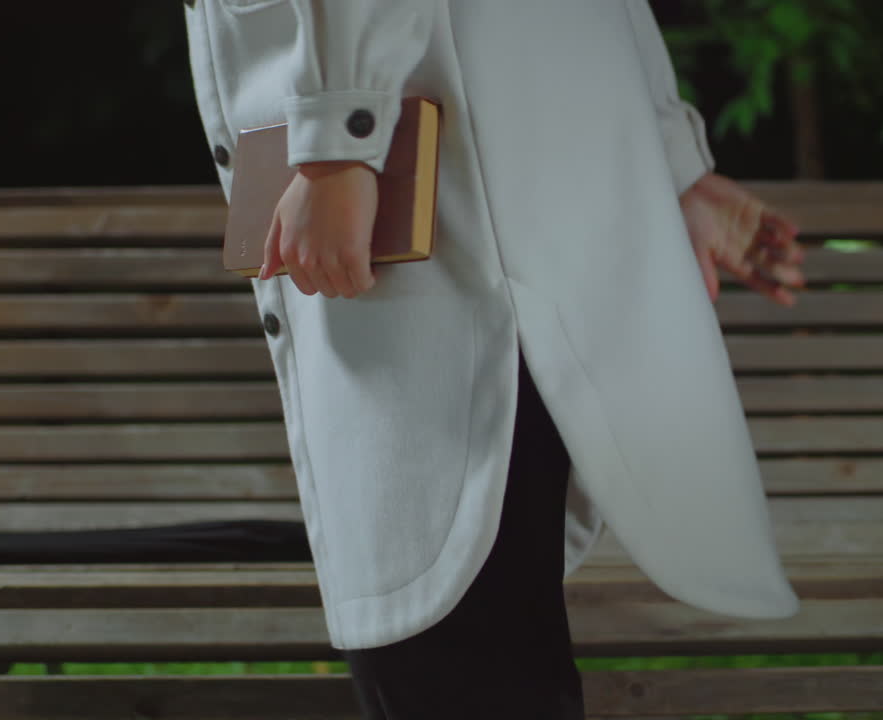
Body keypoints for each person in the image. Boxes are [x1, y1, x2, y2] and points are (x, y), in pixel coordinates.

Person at [184, 2, 806, 717]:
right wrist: (668, 158)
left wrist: (338, 142)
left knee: (451, 647)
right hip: (482, 184)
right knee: (481, 641)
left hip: (436, 216)